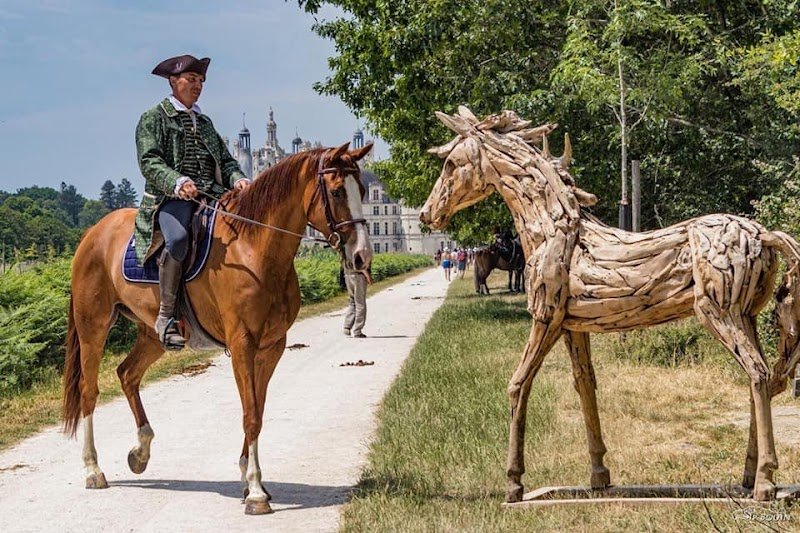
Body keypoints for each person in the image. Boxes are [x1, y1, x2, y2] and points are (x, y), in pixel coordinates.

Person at [135, 54, 251, 349]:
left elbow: (225, 161)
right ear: (173, 82)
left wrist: (238, 178)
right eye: (191, 79)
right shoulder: (154, 117)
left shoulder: (205, 122)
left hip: (210, 195)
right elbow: (149, 161)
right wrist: (177, 181)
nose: (197, 85)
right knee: (179, 239)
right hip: (171, 198)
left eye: (200, 81)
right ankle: (166, 316)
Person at [342, 262, 371, 338]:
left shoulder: (346, 250)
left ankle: (347, 326)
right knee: (360, 303)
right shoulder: (359, 249)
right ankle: (357, 331)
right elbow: (360, 264)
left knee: (352, 302)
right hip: (358, 276)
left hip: (348, 275)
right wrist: (368, 277)